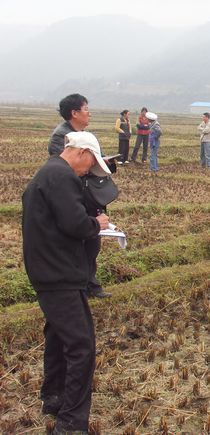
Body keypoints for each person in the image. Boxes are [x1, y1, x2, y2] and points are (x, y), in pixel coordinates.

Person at [22, 131, 110, 434]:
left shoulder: (49, 173)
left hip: (49, 269)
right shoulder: (61, 176)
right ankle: (71, 420)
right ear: (82, 153)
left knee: (59, 336)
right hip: (59, 273)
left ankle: (54, 397)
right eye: (90, 165)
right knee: (81, 345)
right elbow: (74, 223)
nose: (88, 171)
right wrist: (96, 225)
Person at [48, 94, 112, 299]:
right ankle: (78, 287)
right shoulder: (62, 137)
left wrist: (104, 163)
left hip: (90, 195)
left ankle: (90, 284)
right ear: (74, 113)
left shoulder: (85, 134)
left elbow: (91, 164)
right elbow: (72, 167)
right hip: (76, 195)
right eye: (85, 108)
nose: (89, 112)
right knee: (78, 241)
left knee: (92, 242)